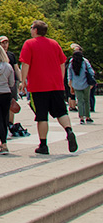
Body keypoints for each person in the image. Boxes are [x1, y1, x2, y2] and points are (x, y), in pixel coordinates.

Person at [20, 20, 78, 155]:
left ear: (35, 30)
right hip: (56, 85)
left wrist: (23, 82)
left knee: (42, 116)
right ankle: (69, 130)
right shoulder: (54, 44)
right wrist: (60, 79)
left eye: (31, 27)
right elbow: (62, 63)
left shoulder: (29, 44)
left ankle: (43, 145)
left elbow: (25, 64)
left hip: (38, 86)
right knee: (61, 112)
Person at [68, 46, 95, 124]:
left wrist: (70, 84)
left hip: (76, 84)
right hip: (86, 83)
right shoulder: (85, 61)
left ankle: (81, 117)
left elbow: (69, 75)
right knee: (86, 100)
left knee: (79, 101)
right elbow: (91, 71)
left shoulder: (71, 62)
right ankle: (88, 116)